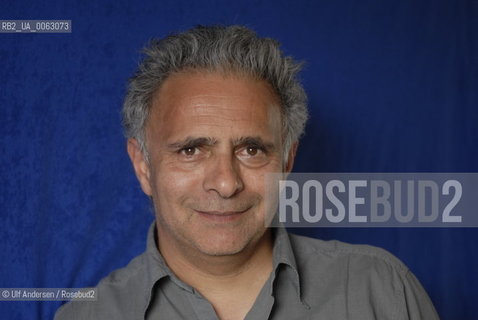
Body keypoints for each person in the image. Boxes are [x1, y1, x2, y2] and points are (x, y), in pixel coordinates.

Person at [55, 25, 439, 320]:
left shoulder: (382, 291)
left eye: (251, 150)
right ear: (143, 165)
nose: (225, 182)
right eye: (191, 150)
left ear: (287, 162)